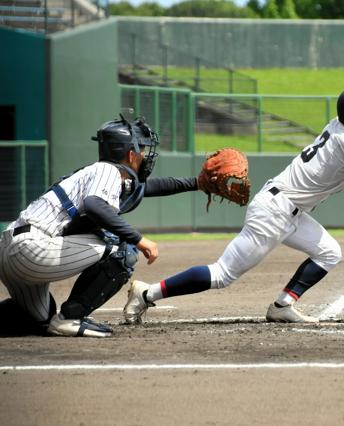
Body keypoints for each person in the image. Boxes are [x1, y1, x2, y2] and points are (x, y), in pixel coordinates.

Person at [123, 84, 344, 325]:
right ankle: (146, 294)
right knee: (222, 275)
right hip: (274, 212)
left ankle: (283, 305)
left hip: (290, 210)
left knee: (329, 252)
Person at [0, 115, 202, 337]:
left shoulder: (99, 173)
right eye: (142, 149)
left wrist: (197, 183)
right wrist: (139, 239)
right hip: (31, 250)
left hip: (11, 251)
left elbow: (151, 187)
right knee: (121, 249)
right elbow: (94, 206)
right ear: (130, 153)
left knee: (38, 319)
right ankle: (70, 318)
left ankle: (51, 318)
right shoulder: (108, 171)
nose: (145, 155)